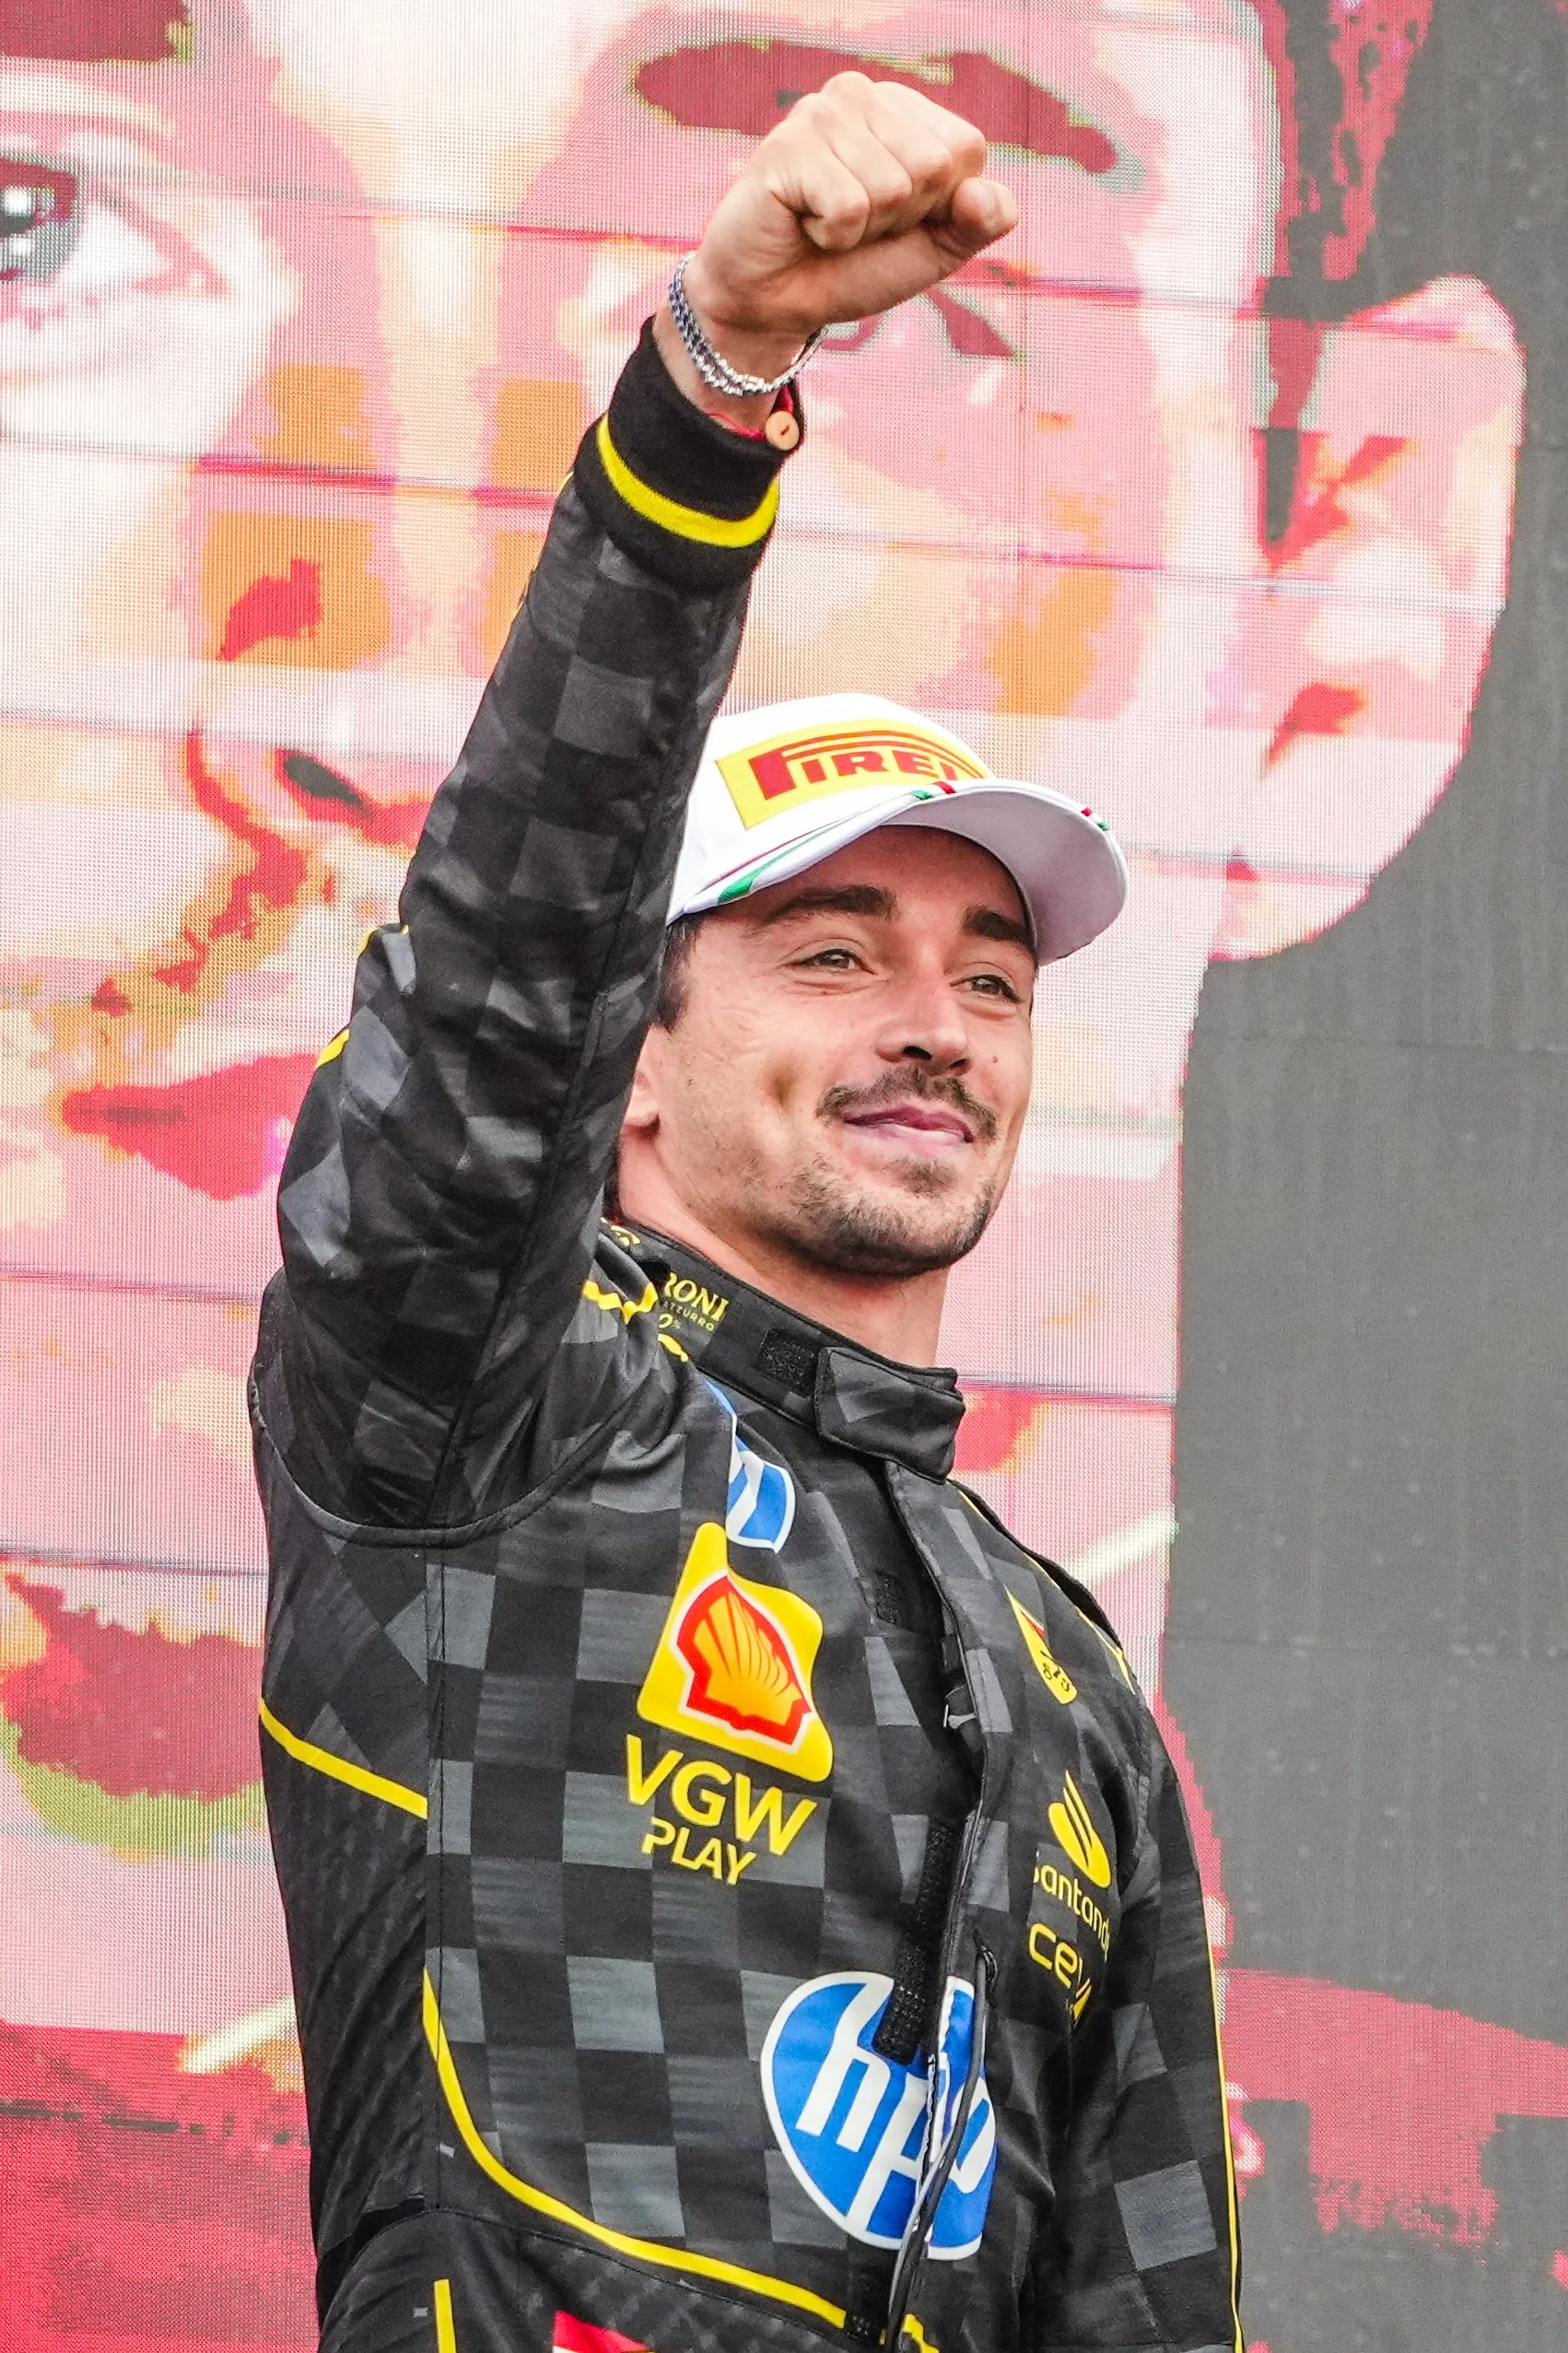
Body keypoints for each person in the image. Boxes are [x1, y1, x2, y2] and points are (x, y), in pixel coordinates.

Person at [252, 73, 1246, 2353]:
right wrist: (709, 407)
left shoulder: (1068, 1677)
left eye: (986, 975)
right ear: (627, 1071)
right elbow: (502, 975)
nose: (934, 1020)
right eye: (829, 952)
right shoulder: (487, 1424)